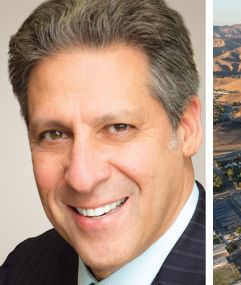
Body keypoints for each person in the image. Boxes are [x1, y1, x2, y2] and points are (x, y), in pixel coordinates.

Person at [0, 0, 205, 284]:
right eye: (54, 134)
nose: (82, 178)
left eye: (118, 127)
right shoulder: (21, 268)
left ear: (187, 128)